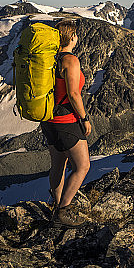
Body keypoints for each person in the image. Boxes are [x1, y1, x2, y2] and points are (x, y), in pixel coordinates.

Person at [39, 18, 92, 227]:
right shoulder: (70, 60)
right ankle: (64, 210)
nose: (78, 37)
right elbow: (73, 93)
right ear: (71, 37)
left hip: (48, 120)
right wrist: (84, 118)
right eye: (76, 34)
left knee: (58, 165)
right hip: (67, 121)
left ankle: (56, 209)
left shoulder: (49, 58)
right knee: (82, 166)